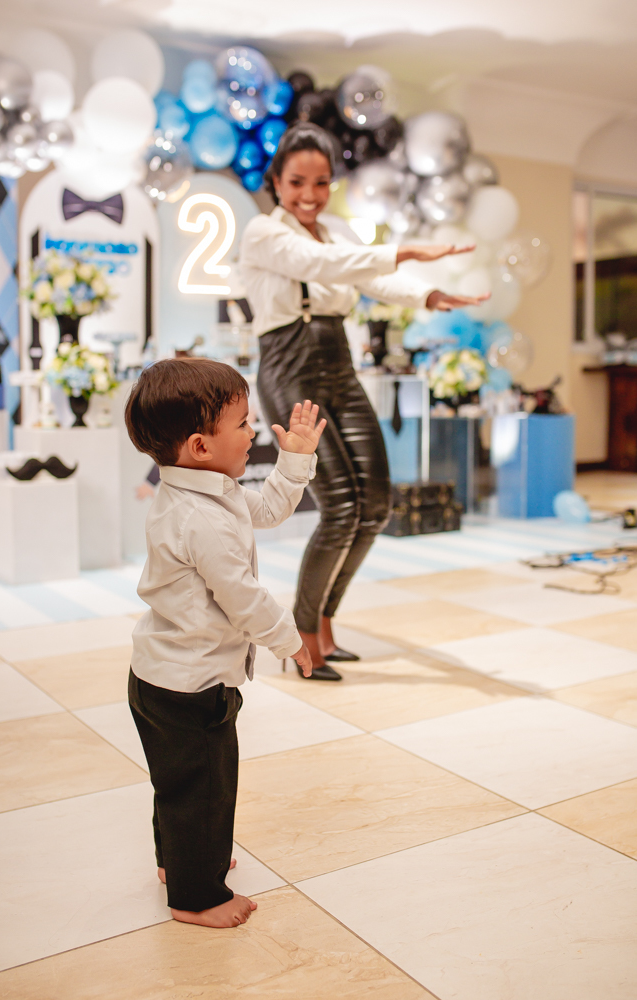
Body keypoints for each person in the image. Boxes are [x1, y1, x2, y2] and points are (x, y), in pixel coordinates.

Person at [240, 122, 489, 682]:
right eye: (297, 182)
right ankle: (303, 637)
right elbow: (321, 265)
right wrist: (405, 250)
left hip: (339, 362)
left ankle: (326, 620)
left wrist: (428, 293)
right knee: (339, 507)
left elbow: (369, 277)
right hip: (289, 366)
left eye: (321, 183)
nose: (310, 195)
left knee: (375, 505)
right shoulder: (262, 232)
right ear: (275, 181)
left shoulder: (335, 231)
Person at [125, 357, 325, 928]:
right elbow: (243, 597)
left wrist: (295, 458)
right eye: (242, 424)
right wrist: (289, 639)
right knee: (206, 790)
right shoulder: (202, 518)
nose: (253, 432)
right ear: (199, 446)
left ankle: (179, 862)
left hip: (161, 676)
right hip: (192, 685)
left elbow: (270, 509)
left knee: (178, 785)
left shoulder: (210, 492)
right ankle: (198, 897)